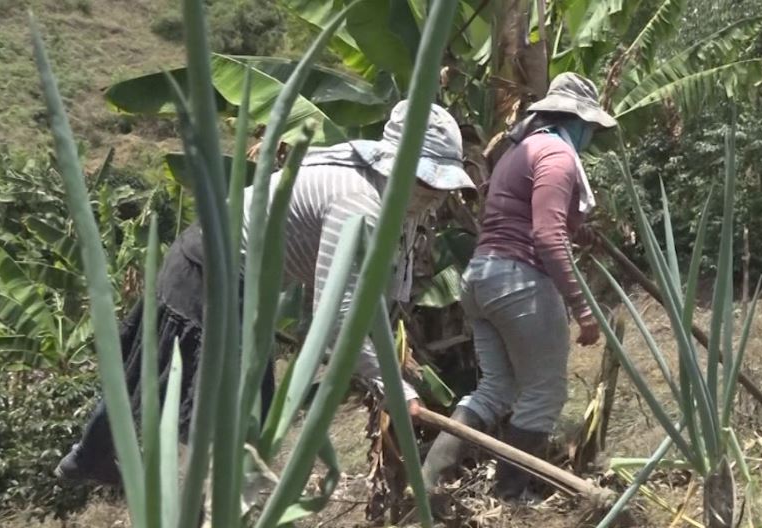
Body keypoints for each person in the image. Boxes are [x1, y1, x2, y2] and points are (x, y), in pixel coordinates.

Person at [56, 100, 476, 486]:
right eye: (425, 180)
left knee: (160, 369)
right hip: (211, 270)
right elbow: (338, 313)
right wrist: (391, 385)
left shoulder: (390, 195)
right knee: (240, 411)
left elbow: (366, 294)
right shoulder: (358, 202)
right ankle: (206, 521)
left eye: (441, 184)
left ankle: (92, 458)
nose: (435, 194)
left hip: (218, 262)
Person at [420, 73, 616, 500]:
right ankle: (510, 495)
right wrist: (582, 308)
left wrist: (579, 232)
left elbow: (523, 216)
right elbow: (546, 236)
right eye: (591, 128)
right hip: (519, 281)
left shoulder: (519, 150)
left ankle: (427, 484)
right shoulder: (558, 156)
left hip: (480, 279)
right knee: (545, 392)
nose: (591, 137)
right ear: (576, 120)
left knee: (495, 389)